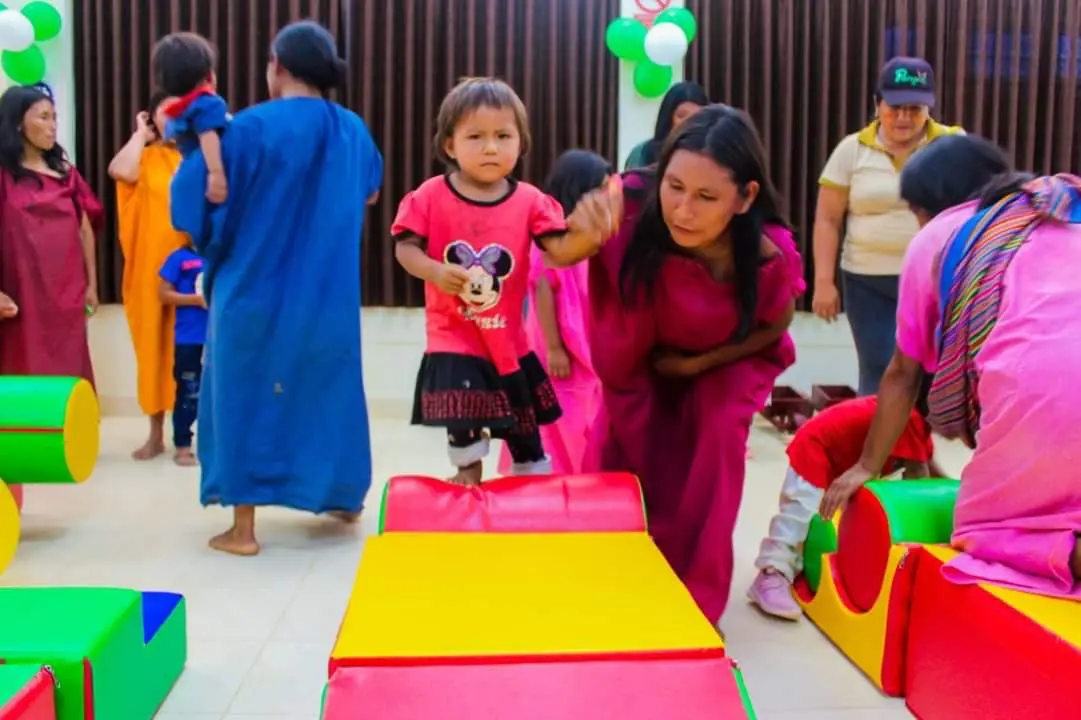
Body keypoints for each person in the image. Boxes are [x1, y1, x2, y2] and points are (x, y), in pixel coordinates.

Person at [824, 134, 1081, 599]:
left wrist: (867, 464)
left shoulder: (941, 234)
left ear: (935, 205)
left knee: (993, 526)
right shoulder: (1060, 212)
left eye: (916, 211)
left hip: (1047, 395)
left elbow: (904, 372)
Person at [584, 105, 806, 626]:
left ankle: (693, 596)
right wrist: (579, 230)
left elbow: (773, 327)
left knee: (716, 434)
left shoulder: (770, 253)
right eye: (675, 187)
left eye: (706, 197)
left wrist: (698, 364)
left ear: (745, 197)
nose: (683, 210)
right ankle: (613, 570)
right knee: (624, 438)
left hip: (727, 358)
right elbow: (561, 251)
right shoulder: (631, 202)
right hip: (647, 348)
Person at [170, 20, 384, 556]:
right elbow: (372, 194)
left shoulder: (244, 129)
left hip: (253, 291)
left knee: (245, 397)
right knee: (327, 391)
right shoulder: (353, 129)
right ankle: (343, 498)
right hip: (326, 293)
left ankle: (243, 529)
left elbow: (192, 204)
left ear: (277, 66)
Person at [393, 77, 621, 487]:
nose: (491, 147)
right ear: (450, 145)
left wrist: (591, 235)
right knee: (463, 422)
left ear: (521, 142)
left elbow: (559, 252)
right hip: (454, 336)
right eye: (475, 136)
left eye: (503, 135)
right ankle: (467, 472)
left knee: (525, 430)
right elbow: (405, 249)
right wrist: (434, 271)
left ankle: (530, 481)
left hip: (509, 342)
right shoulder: (430, 196)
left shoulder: (531, 201)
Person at [811, 57, 963, 395]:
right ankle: (877, 445)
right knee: (879, 365)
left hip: (934, 280)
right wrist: (823, 281)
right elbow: (828, 218)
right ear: (877, 104)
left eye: (915, 108)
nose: (905, 118)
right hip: (868, 281)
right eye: (895, 107)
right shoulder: (852, 149)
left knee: (929, 369)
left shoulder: (952, 145)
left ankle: (914, 445)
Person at [749, 389, 940, 620]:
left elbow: (930, 471)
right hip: (815, 446)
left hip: (840, 454)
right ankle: (771, 573)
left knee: (824, 519)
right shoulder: (908, 418)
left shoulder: (915, 425)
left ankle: (798, 563)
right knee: (799, 514)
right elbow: (919, 487)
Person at [496, 150, 607, 475]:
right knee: (559, 412)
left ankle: (578, 474)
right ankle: (552, 477)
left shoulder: (591, 235)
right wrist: (556, 346)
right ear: (577, 190)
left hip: (582, 341)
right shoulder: (552, 236)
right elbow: (543, 288)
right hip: (555, 344)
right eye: (597, 189)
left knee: (581, 408)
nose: (603, 197)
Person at [0, 85, 102, 382]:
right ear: (19, 123)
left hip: (66, 291)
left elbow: (85, 230)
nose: (53, 125)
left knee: (68, 367)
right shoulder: (4, 175)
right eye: (43, 117)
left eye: (54, 117)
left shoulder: (67, 174)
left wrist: (92, 285)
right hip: (21, 289)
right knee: (22, 364)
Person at [109, 92, 191, 460]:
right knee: (152, 352)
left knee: (188, 354)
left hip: (189, 274)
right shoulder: (140, 157)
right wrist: (140, 135)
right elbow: (119, 171)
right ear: (151, 116)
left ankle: (185, 437)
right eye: (165, 110)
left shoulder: (195, 157)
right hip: (146, 271)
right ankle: (155, 432)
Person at [153, 32, 229, 203]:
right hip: (204, 177)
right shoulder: (208, 104)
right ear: (209, 74)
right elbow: (208, 135)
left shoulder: (176, 110)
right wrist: (216, 173)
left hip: (185, 177)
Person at [158, 242, 208, 467]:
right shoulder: (179, 257)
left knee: (222, 393)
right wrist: (195, 300)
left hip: (220, 338)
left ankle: (220, 447)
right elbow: (164, 294)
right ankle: (183, 447)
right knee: (189, 392)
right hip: (189, 338)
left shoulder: (223, 252)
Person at [624, 81, 708, 170]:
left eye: (697, 117)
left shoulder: (711, 156)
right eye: (681, 116)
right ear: (668, 117)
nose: (689, 122)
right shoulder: (641, 154)